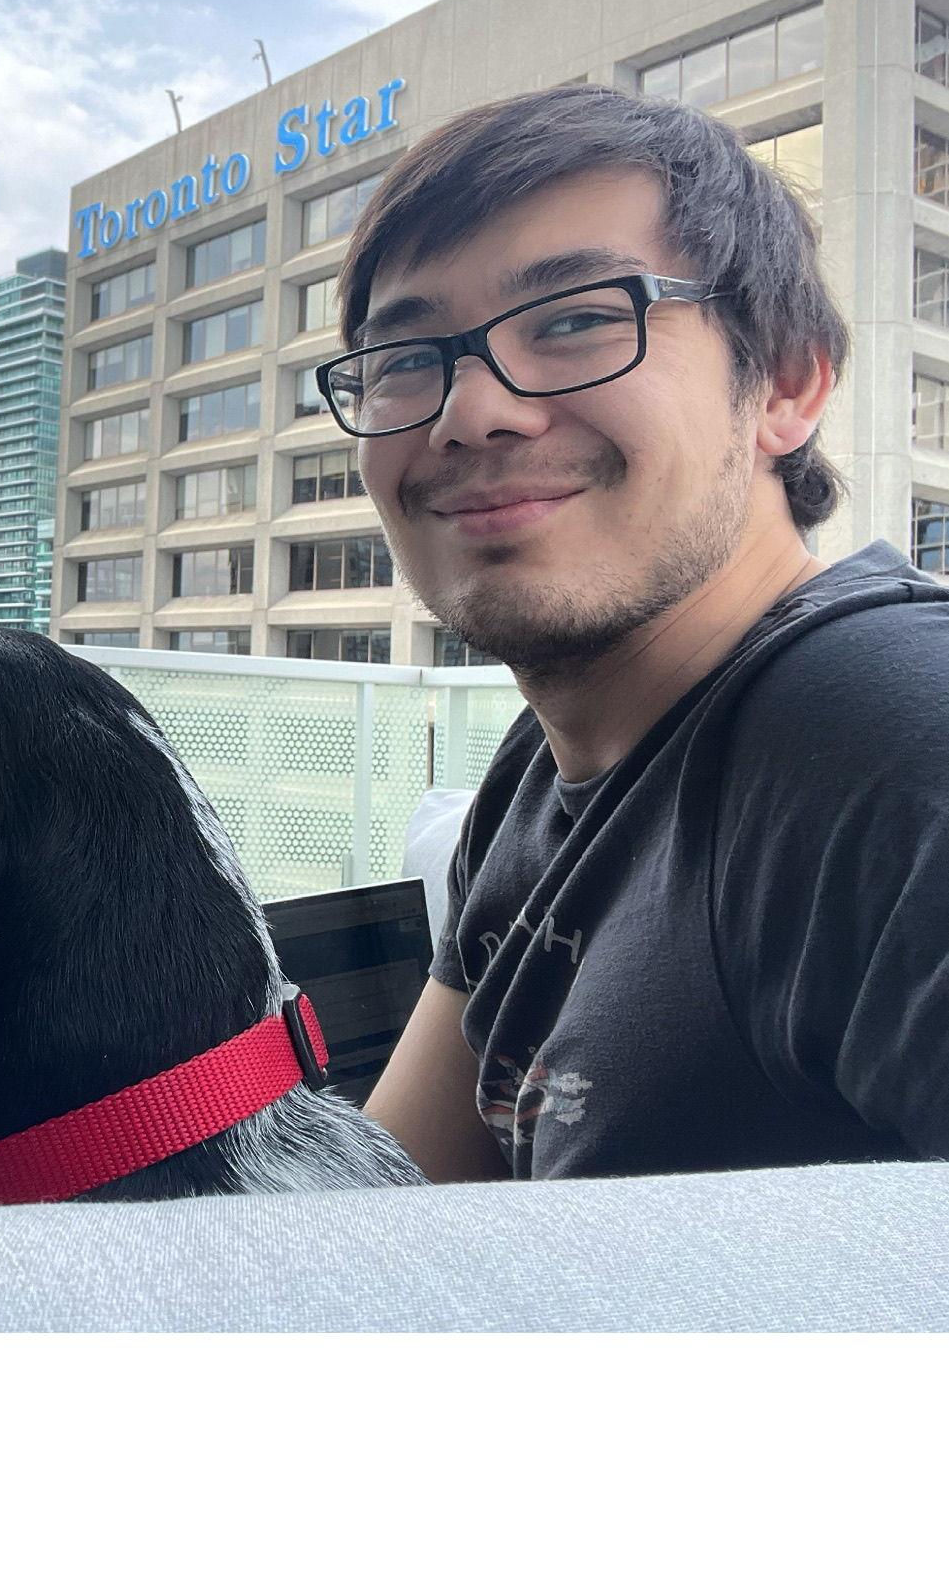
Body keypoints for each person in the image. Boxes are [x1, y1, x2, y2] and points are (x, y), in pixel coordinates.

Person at [342, 85, 949, 1182]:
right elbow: (390, 1208)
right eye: (406, 360)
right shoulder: (544, 769)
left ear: (787, 382)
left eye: (575, 320)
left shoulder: (892, 729)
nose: (470, 411)